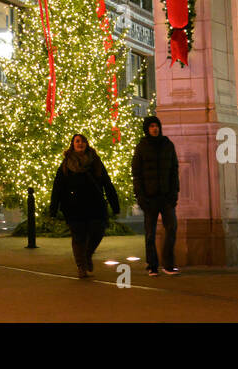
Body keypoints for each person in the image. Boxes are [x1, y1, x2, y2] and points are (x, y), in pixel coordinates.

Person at [49, 133, 120, 279]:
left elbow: (107, 183)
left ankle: (87, 254)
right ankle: (81, 266)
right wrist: (54, 208)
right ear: (73, 144)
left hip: (95, 205)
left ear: (87, 144)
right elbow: (58, 187)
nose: (80, 143)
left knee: (98, 231)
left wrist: (114, 204)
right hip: (74, 206)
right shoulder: (66, 164)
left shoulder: (95, 161)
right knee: (78, 237)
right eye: (77, 141)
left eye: (82, 141)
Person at [132, 115, 179, 276]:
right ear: (147, 129)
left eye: (156, 125)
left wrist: (174, 194)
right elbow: (136, 174)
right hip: (149, 197)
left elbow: (174, 171)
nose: (154, 128)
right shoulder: (141, 147)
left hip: (166, 197)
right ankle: (152, 265)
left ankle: (168, 264)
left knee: (171, 228)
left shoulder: (168, 145)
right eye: (151, 126)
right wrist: (140, 196)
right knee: (150, 233)